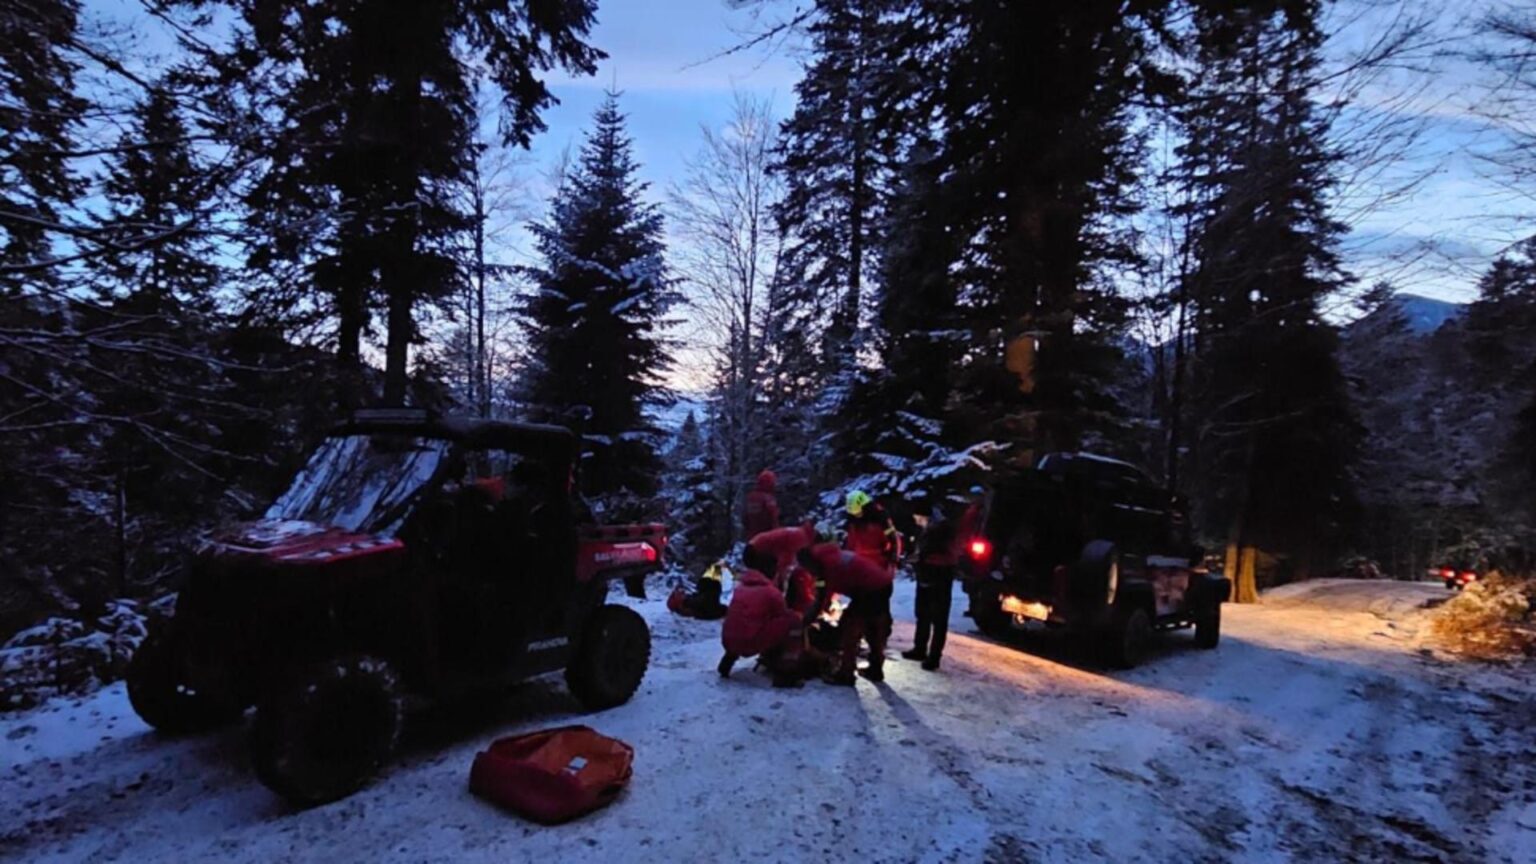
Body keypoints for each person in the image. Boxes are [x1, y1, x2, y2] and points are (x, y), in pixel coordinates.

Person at [796, 542, 895, 686]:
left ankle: (846, 673)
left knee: (850, 629)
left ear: (811, 562)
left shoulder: (828, 568)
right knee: (873, 628)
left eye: (809, 568)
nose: (810, 572)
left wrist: (805, 621)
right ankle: (876, 668)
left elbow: (821, 599)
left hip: (869, 590)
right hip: (883, 584)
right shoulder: (828, 557)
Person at [717, 568, 805, 688]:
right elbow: (782, 615)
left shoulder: (740, 589)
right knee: (793, 620)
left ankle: (728, 659)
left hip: (728, 640)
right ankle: (786, 673)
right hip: (750, 642)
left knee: (743, 624)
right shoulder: (771, 592)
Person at [903, 504, 959, 671]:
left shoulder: (941, 530)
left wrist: (920, 558)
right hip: (926, 574)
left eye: (917, 517)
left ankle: (934, 657)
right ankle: (920, 648)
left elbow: (938, 552)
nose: (916, 521)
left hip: (939, 576)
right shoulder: (930, 530)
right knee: (923, 614)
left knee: (938, 618)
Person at [843, 490, 901, 575]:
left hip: (880, 565)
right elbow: (849, 544)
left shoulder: (880, 519)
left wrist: (894, 558)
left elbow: (894, 539)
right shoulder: (852, 524)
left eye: (859, 513)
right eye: (854, 513)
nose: (857, 515)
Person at [742, 522, 818, 586]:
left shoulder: (798, 531)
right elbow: (785, 558)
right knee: (767, 582)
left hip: (752, 547)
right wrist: (781, 578)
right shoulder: (801, 538)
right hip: (756, 552)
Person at [743, 469, 781, 539]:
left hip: (752, 537)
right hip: (767, 537)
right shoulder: (768, 498)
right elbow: (773, 519)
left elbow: (745, 518)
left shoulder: (750, 497)